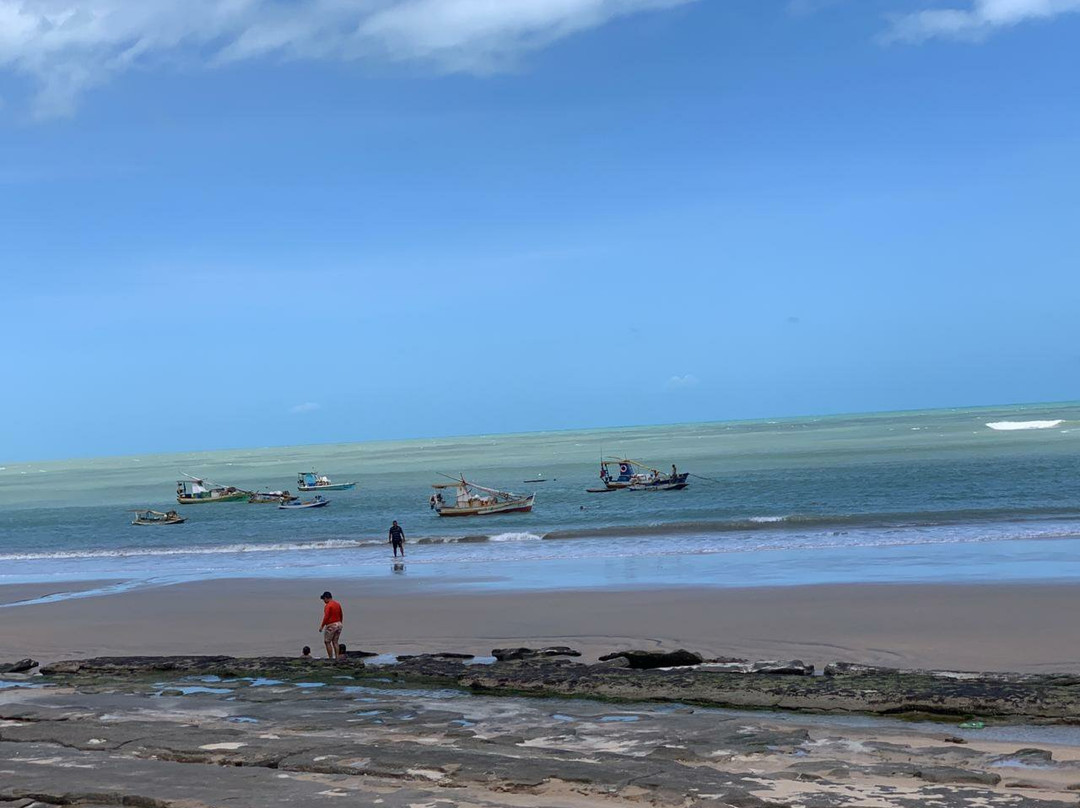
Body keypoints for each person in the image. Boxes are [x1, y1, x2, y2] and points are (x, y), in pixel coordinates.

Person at [317, 591, 343, 659]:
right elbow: (341, 614)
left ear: (326, 598)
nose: (323, 601)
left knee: (327, 642)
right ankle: (337, 657)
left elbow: (326, 617)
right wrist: (340, 622)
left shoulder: (328, 605)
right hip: (339, 624)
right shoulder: (337, 604)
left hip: (332, 625)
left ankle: (330, 658)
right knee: (335, 642)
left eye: (323, 599)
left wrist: (322, 626)